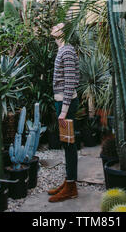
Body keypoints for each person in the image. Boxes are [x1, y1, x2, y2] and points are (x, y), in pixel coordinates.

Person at [47, 22, 79, 203]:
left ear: (62, 32)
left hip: (66, 104)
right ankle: (69, 182)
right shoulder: (64, 49)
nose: (53, 27)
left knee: (69, 145)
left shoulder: (66, 50)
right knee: (67, 144)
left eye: (57, 25)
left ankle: (71, 187)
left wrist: (64, 110)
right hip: (63, 103)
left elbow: (70, 81)